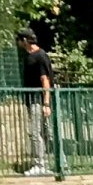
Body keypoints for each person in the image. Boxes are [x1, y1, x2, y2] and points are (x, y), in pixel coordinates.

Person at [18, 29, 56, 175]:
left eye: (19, 40)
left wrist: (46, 104)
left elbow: (45, 80)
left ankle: (40, 165)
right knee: (46, 133)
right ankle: (58, 163)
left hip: (38, 101)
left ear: (25, 40)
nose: (18, 43)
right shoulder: (28, 56)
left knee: (36, 133)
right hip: (32, 100)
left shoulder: (40, 56)